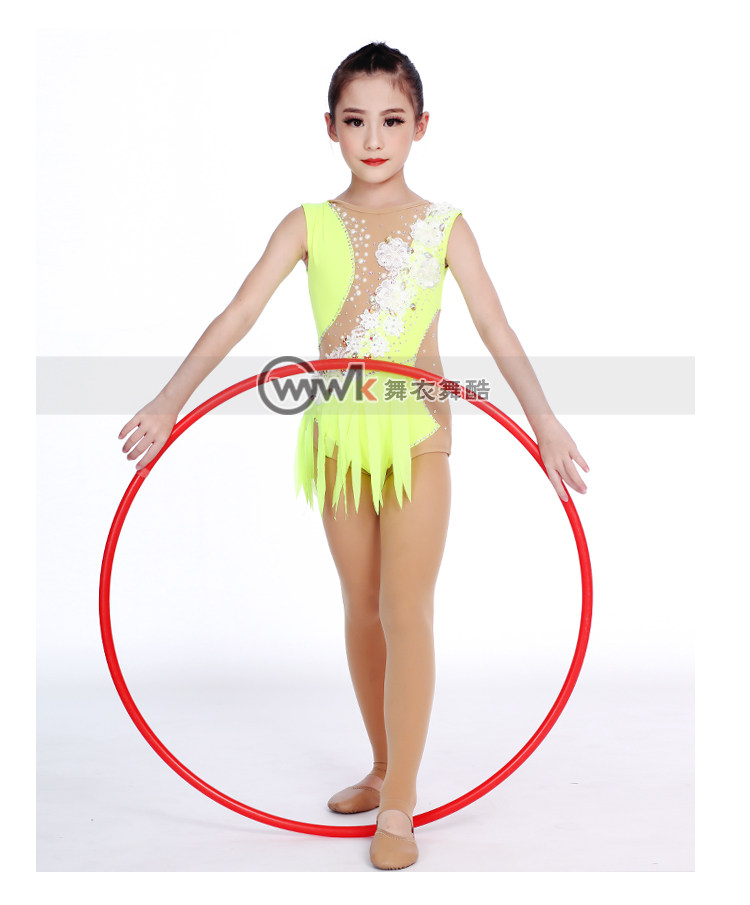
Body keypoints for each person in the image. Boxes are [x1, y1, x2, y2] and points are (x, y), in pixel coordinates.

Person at [118, 41, 590, 871]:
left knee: (408, 610)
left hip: (418, 435)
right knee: (362, 607)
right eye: (356, 120)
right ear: (330, 127)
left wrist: (545, 422)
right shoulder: (308, 222)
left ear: (421, 126)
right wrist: (168, 400)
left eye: (392, 121)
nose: (374, 138)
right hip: (338, 436)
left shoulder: (445, 226)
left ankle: (401, 798)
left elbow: (496, 326)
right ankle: (380, 765)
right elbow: (237, 314)